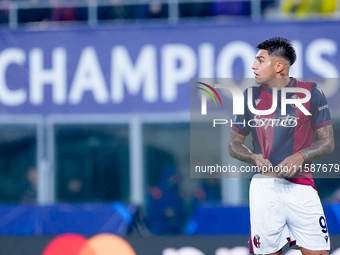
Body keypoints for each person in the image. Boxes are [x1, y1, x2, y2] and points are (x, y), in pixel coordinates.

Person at [228, 37, 334, 255]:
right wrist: (253, 157)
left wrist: (301, 156)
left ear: (279, 66)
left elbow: (327, 141)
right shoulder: (248, 97)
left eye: (260, 60)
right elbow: (233, 144)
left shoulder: (311, 92)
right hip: (264, 188)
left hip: (302, 187)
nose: (253, 66)